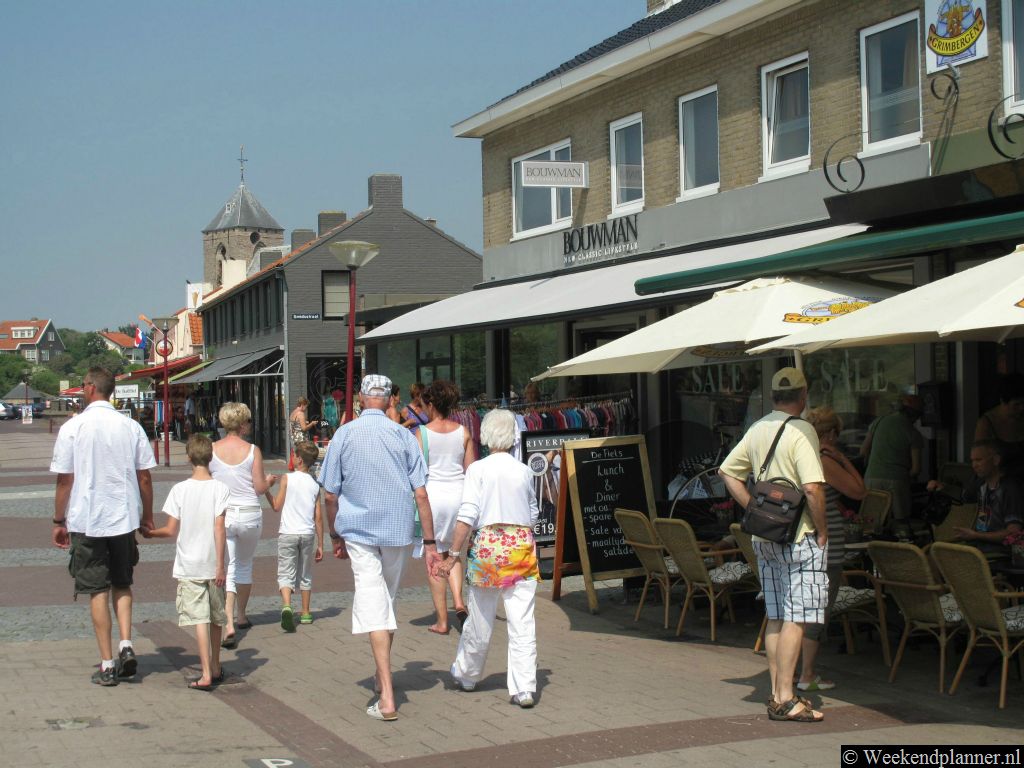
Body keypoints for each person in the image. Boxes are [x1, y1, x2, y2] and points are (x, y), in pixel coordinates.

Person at [318, 374, 442, 721]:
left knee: (375, 603)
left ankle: (387, 694)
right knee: (385, 600)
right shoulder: (404, 437)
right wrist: (430, 543)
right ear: (390, 400)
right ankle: (381, 676)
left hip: (358, 531)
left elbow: (330, 494)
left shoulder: (344, 435)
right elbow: (421, 493)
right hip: (397, 530)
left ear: (360, 398)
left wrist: (334, 535)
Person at [719, 367, 827, 723]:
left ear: (774, 395)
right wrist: (822, 531)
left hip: (765, 535)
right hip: (798, 534)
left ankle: (777, 692)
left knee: (777, 615)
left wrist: (752, 506)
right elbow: (812, 488)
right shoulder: (802, 430)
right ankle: (786, 696)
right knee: (798, 617)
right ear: (803, 394)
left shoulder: (759, 427)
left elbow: (727, 472)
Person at [50, 366, 156, 686]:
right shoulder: (131, 427)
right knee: (123, 583)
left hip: (88, 519)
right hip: (123, 517)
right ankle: (126, 643)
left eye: (84, 385)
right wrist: (146, 515)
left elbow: (64, 481)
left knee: (97, 589)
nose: (82, 389)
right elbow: (144, 477)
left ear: (91, 388)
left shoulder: (74, 428)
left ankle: (107, 663)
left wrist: (59, 520)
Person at [437, 409, 540, 708]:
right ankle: (524, 688)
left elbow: (467, 513)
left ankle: (468, 674)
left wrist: (453, 553)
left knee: (480, 614)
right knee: (522, 619)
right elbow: (533, 513)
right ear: (512, 436)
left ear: (486, 435)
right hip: (519, 545)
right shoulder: (523, 470)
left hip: (487, 546)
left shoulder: (478, 470)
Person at [143, 434, 230, 690]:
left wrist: (149, 533)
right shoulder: (220, 489)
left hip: (189, 564)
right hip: (213, 562)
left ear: (189, 458)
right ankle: (215, 665)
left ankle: (204, 673)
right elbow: (220, 528)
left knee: (199, 618)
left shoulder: (179, 490)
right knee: (216, 618)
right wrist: (221, 565)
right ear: (210, 458)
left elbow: (170, 530)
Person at [798, 406, 866, 693]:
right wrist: (843, 459)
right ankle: (807, 674)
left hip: (806, 540)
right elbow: (859, 491)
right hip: (828, 545)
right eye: (836, 436)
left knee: (804, 608)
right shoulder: (825, 459)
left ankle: (797, 672)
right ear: (828, 434)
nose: (838, 442)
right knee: (818, 608)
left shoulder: (804, 454)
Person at [210, 402, 276, 648]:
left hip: (223, 514)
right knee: (243, 564)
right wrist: (269, 481)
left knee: (228, 565)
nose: (250, 425)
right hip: (249, 513)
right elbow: (259, 488)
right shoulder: (252, 450)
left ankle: (227, 619)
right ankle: (239, 615)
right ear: (242, 423)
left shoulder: (212, 448)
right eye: (248, 421)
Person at [418, 380, 475, 634]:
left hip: (433, 498)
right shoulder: (463, 432)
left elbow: (417, 472)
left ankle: (442, 621)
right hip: (459, 496)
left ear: (430, 404)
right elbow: (471, 471)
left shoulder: (422, 433)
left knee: (434, 556)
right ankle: (460, 603)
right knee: (454, 553)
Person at [265, 441, 324, 631]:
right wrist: (321, 544)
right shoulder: (315, 485)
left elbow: (275, 505)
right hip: (307, 534)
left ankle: (287, 605)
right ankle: (306, 612)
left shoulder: (287, 479)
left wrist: (267, 488)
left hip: (288, 532)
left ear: (298, 459)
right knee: (305, 573)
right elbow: (318, 518)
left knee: (285, 571)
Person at [928, 440, 1023, 555]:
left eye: (979, 460)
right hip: (979, 548)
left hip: (1001, 553)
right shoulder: (981, 484)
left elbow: (1014, 533)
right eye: (972, 461)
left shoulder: (1010, 489)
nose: (974, 465)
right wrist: (942, 487)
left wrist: (976, 535)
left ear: (996, 460)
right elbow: (964, 496)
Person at [861, 394, 924, 523]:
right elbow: (916, 469)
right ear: (916, 416)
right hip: (897, 481)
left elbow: (863, 450)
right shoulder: (913, 433)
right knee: (900, 522)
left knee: (873, 522)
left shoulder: (879, 421)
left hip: (872, 478)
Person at [975, 374, 1024, 482]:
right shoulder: (987, 423)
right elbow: (980, 463)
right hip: (1001, 485)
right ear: (1003, 401)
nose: (1022, 408)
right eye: (1016, 404)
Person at [289, 397, 316, 469]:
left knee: (296, 456)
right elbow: (304, 429)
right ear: (302, 405)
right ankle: (302, 472)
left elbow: (296, 425)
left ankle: (296, 471)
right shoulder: (301, 414)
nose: (306, 409)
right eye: (306, 406)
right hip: (301, 439)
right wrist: (312, 424)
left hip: (294, 438)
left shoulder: (293, 413)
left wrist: (305, 422)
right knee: (303, 457)